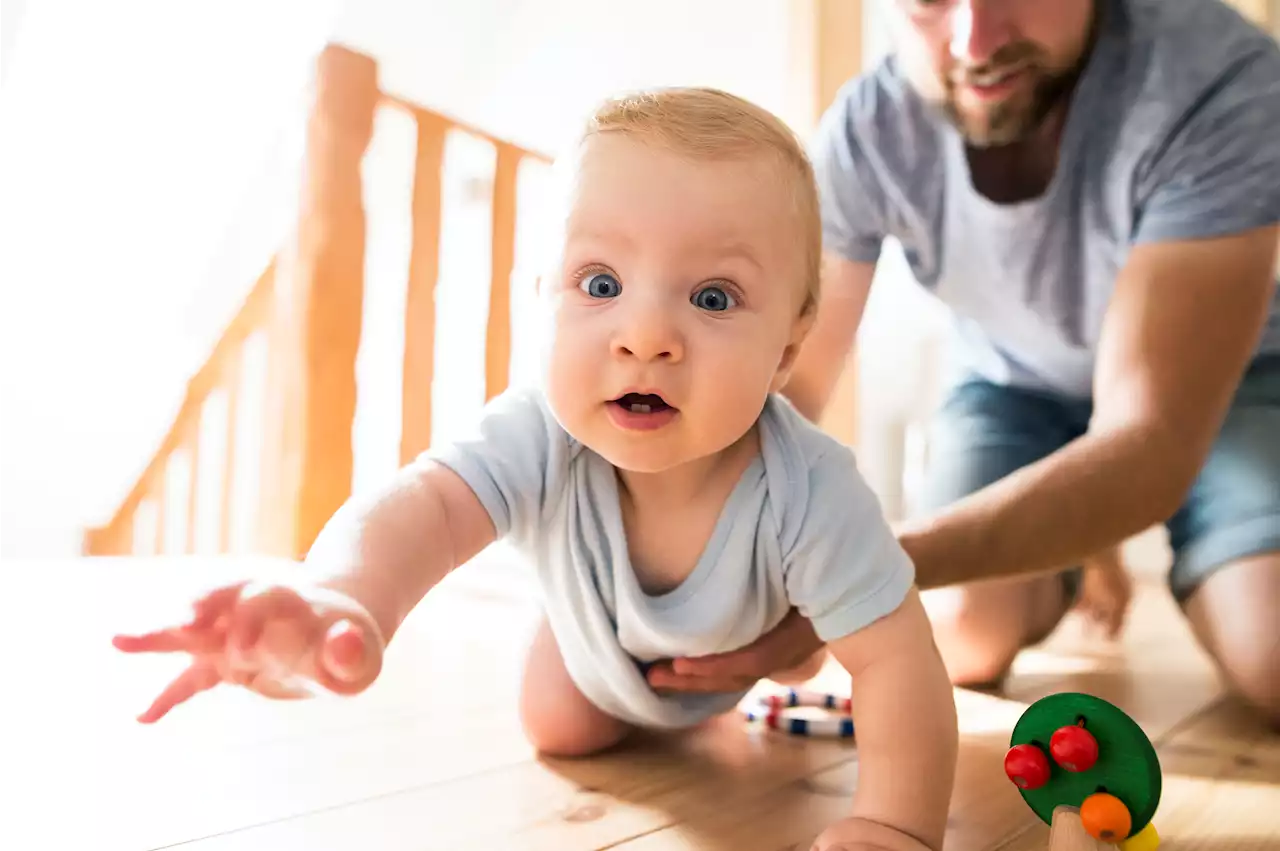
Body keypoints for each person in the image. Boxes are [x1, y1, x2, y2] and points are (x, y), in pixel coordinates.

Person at [112, 88, 959, 851]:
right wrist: (348, 596)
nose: (645, 334)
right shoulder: (540, 432)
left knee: (832, 631)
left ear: (789, 343)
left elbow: (896, 664)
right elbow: (428, 506)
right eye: (600, 283)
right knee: (556, 725)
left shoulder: (810, 486)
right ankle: (575, 623)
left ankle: (797, 642)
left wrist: (893, 821)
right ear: (540, 295)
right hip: (598, 649)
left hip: (750, 636)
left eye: (712, 298)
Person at [644, 0, 1280, 727]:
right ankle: (1075, 547)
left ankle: (1106, 534)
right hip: (1011, 384)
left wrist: (856, 568)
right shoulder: (868, 128)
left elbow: (1148, 439)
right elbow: (785, 393)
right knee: (962, 636)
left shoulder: (1221, 82)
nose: (976, 41)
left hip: (1229, 386)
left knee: (1273, 651)